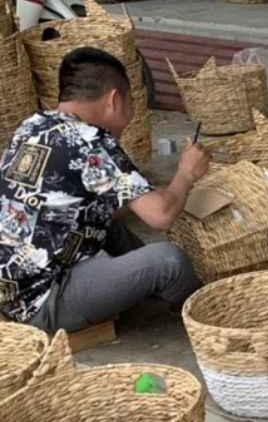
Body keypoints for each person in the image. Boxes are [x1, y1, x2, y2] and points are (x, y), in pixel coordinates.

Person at [0, 46, 210, 333]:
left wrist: (154, 193)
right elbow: (161, 216)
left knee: (105, 218)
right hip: (43, 303)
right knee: (169, 261)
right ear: (114, 100)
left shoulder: (34, 125)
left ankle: (147, 289)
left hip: (11, 289)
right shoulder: (92, 141)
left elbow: (98, 203)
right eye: (131, 101)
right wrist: (186, 174)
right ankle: (206, 313)